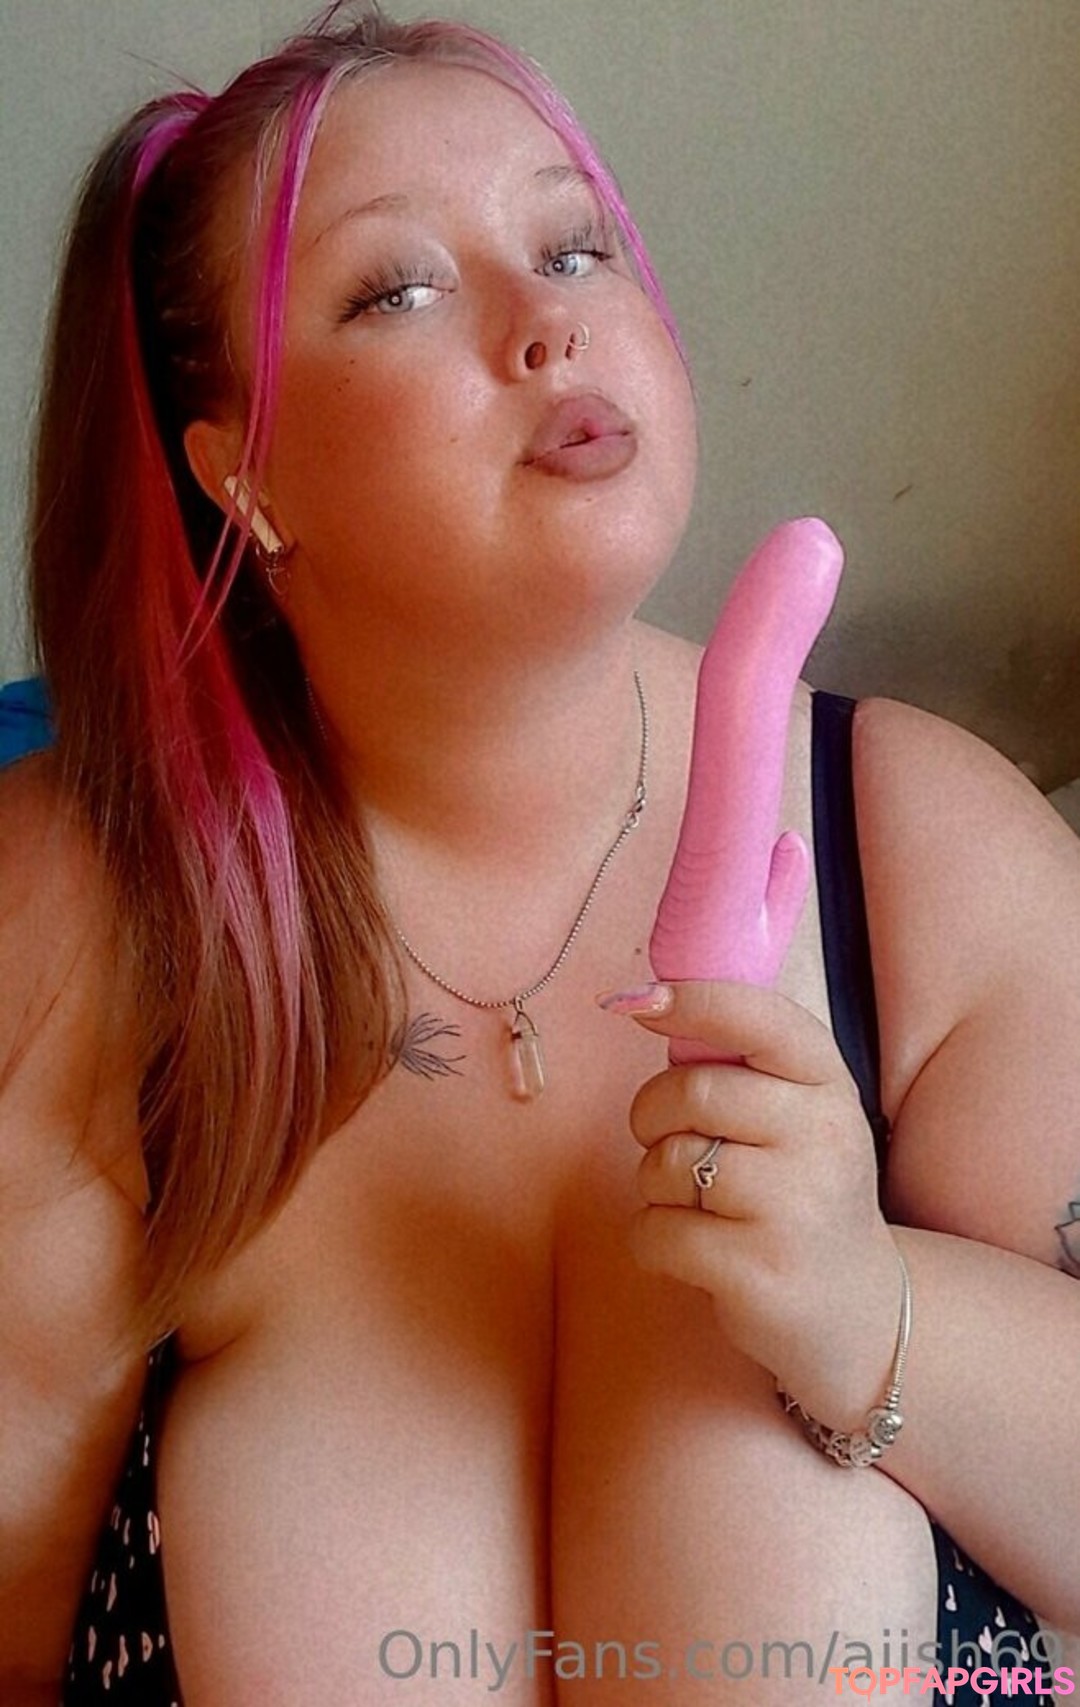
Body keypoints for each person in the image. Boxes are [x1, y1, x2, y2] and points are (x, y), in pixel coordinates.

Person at [1, 4, 1078, 1702]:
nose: (547, 319)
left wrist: (877, 1317)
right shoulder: (89, 904)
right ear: (242, 476)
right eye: (396, 289)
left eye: (574, 246)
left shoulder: (922, 847)